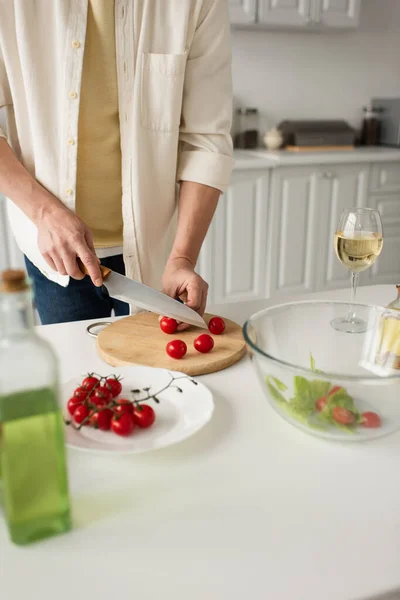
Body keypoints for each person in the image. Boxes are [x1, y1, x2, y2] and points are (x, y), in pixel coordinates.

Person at [0, 0, 233, 325]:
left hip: (157, 257)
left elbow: (207, 141)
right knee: (74, 375)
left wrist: (182, 257)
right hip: (54, 252)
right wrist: (44, 213)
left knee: (156, 375)